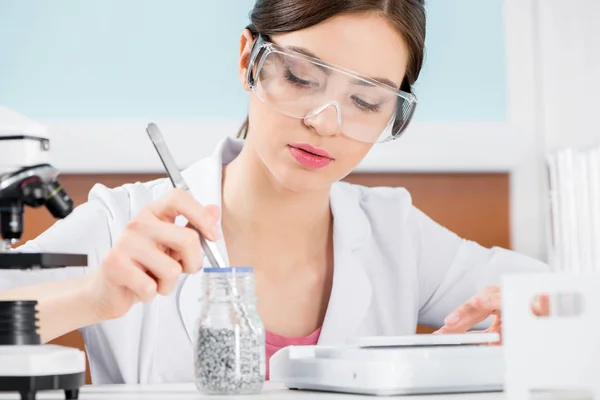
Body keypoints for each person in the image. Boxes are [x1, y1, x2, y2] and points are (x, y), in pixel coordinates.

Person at [0, 0, 549, 385]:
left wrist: (542, 309)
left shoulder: (395, 233)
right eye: (301, 77)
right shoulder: (124, 225)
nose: (325, 122)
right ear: (248, 59)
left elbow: (565, 298)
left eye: (366, 101)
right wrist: (92, 295)